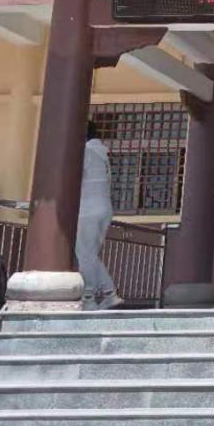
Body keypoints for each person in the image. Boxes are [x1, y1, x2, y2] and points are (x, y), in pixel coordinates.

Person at [76, 123, 121, 310]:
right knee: (91, 255)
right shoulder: (101, 153)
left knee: (85, 255)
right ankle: (110, 293)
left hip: (87, 209)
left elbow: (73, 177)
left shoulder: (86, 152)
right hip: (103, 207)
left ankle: (88, 297)